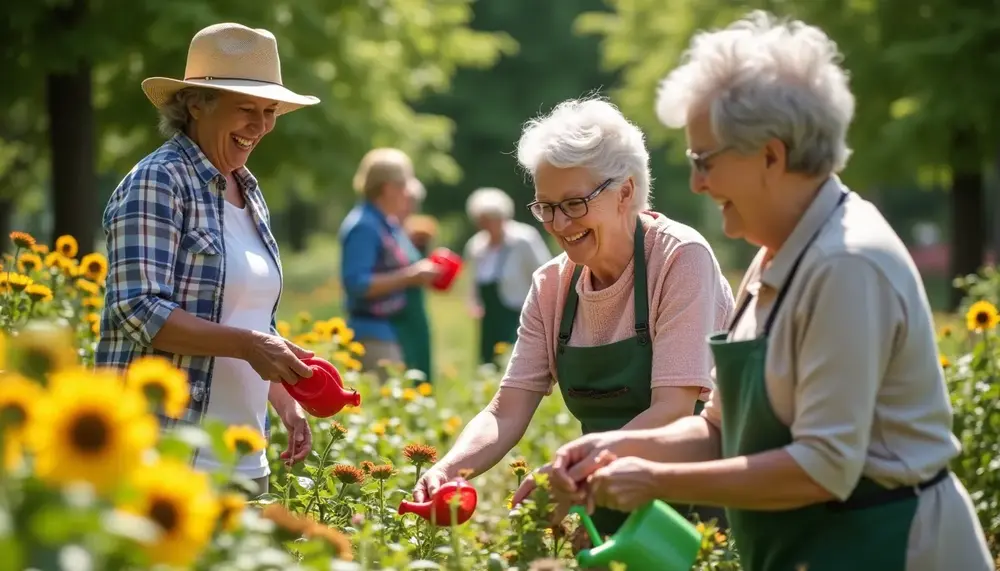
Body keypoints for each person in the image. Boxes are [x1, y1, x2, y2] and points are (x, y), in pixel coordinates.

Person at [543, 12, 993, 571]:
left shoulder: (846, 264)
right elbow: (717, 430)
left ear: (771, 156)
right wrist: (610, 450)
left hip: (893, 546)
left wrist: (654, 479)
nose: (697, 183)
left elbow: (823, 465)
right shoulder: (776, 254)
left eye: (704, 161)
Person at [412, 96, 736, 537]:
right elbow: (505, 411)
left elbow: (673, 411)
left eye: (574, 204)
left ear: (625, 192)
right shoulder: (552, 285)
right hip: (600, 499)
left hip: (697, 508)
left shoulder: (680, 258)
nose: (559, 223)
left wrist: (569, 472)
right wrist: (450, 469)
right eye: (545, 206)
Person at [97, 23, 321, 494]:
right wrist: (249, 347)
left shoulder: (248, 189)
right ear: (196, 104)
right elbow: (138, 309)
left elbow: (249, 317)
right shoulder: (158, 181)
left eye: (270, 111)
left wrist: (283, 396)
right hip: (165, 452)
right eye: (246, 109)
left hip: (243, 452)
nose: (260, 126)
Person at [339, 148, 439, 383]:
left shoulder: (387, 224)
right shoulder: (364, 226)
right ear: (388, 188)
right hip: (375, 336)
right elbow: (356, 284)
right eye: (404, 186)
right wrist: (410, 276)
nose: (407, 194)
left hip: (394, 332)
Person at [462, 187, 552, 365]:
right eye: (482, 220)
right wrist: (473, 303)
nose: (487, 225)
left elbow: (544, 273)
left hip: (518, 313)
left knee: (516, 362)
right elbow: (473, 280)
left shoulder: (524, 239)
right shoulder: (476, 246)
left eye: (491, 219)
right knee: (488, 361)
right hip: (489, 316)